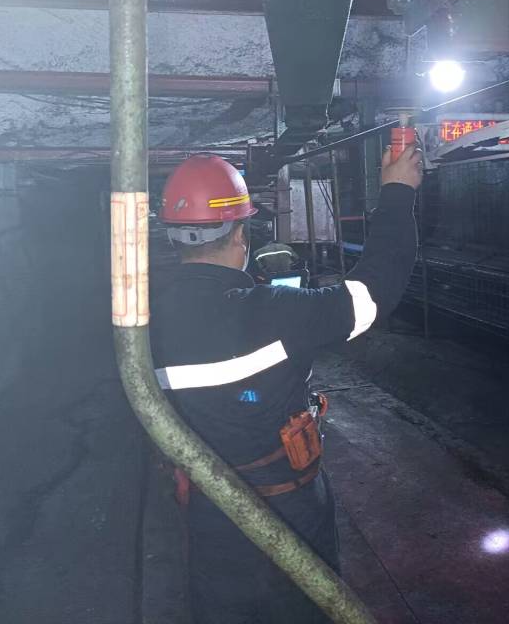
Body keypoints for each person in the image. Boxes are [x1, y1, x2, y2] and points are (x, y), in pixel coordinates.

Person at [150, 146, 422, 623]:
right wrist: (398, 192)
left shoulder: (145, 320)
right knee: (305, 605)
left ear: (175, 237)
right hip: (287, 506)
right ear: (241, 233)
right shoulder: (269, 311)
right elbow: (372, 295)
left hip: (210, 510)